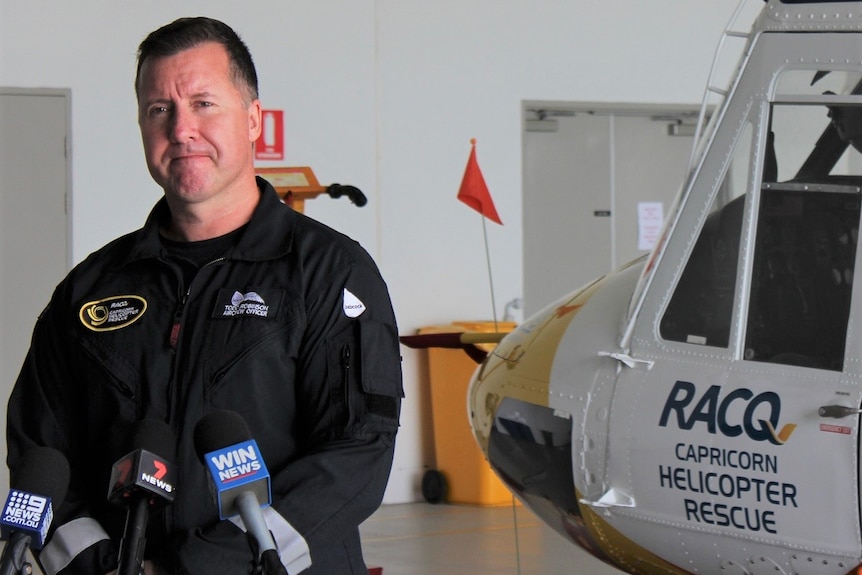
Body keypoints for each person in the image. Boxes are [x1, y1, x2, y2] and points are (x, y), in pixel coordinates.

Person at [6, 16, 403, 575]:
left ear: (254, 120)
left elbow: (357, 453)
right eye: (159, 109)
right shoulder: (89, 288)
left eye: (203, 103)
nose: (181, 129)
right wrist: (97, 566)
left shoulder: (331, 272)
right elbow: (39, 447)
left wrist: (202, 566)